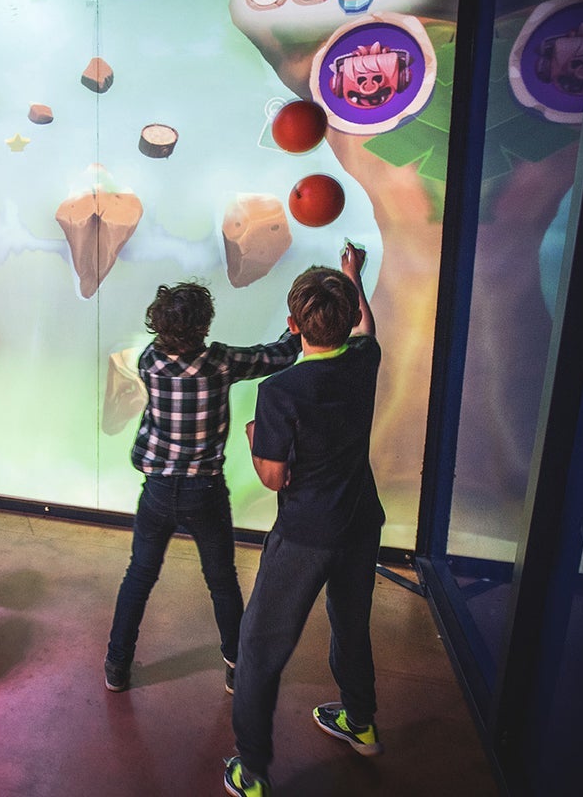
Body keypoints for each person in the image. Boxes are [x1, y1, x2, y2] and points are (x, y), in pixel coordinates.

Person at [224, 242, 382, 797]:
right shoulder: (365, 360)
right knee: (351, 624)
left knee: (260, 647)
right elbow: (363, 325)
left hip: (306, 536)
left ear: (293, 325)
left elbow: (273, 477)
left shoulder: (280, 389)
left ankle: (254, 770)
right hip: (361, 523)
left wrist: (251, 439)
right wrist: (350, 274)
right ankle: (361, 724)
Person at [104, 281, 301, 694]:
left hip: (157, 490)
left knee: (139, 575)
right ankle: (235, 665)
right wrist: (294, 331)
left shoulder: (149, 361)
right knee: (222, 580)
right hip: (204, 492)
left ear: (159, 325)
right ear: (204, 324)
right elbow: (278, 356)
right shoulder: (221, 362)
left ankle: (117, 665)